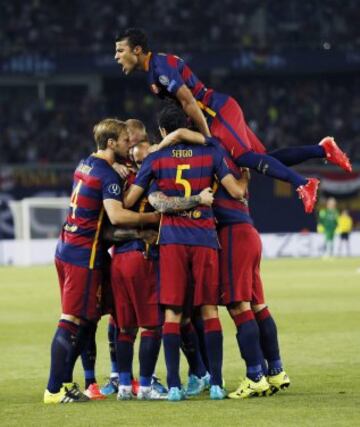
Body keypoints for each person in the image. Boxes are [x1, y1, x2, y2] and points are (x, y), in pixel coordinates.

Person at [114, 28, 352, 213]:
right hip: (218, 110)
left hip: (217, 112)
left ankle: (303, 183)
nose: (116, 56)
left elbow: (189, 102)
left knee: (243, 158)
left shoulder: (160, 69)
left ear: (137, 50)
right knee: (264, 160)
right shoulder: (154, 71)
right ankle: (322, 149)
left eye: (120, 50)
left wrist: (206, 137)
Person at [156, 121, 290, 399]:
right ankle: (274, 369)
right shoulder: (235, 155)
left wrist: (161, 144)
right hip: (248, 232)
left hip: (232, 235)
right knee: (257, 304)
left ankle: (255, 375)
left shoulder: (212, 150)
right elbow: (275, 159)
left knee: (238, 305)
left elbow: (186, 129)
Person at [123, 105, 246, 401]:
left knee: (172, 314)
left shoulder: (155, 159)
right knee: (208, 310)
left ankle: (175, 386)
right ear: (187, 125)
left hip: (173, 240)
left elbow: (129, 200)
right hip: (204, 236)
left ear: (163, 131)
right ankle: (216, 384)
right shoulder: (213, 152)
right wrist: (244, 180)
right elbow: (236, 190)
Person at [43, 118, 159, 404]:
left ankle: (72, 382)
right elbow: (117, 216)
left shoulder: (85, 163)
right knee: (72, 319)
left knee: (91, 316)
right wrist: (153, 218)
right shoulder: (107, 175)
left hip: (66, 248)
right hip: (85, 254)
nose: (128, 145)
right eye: (123, 141)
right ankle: (55, 388)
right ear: (111, 143)